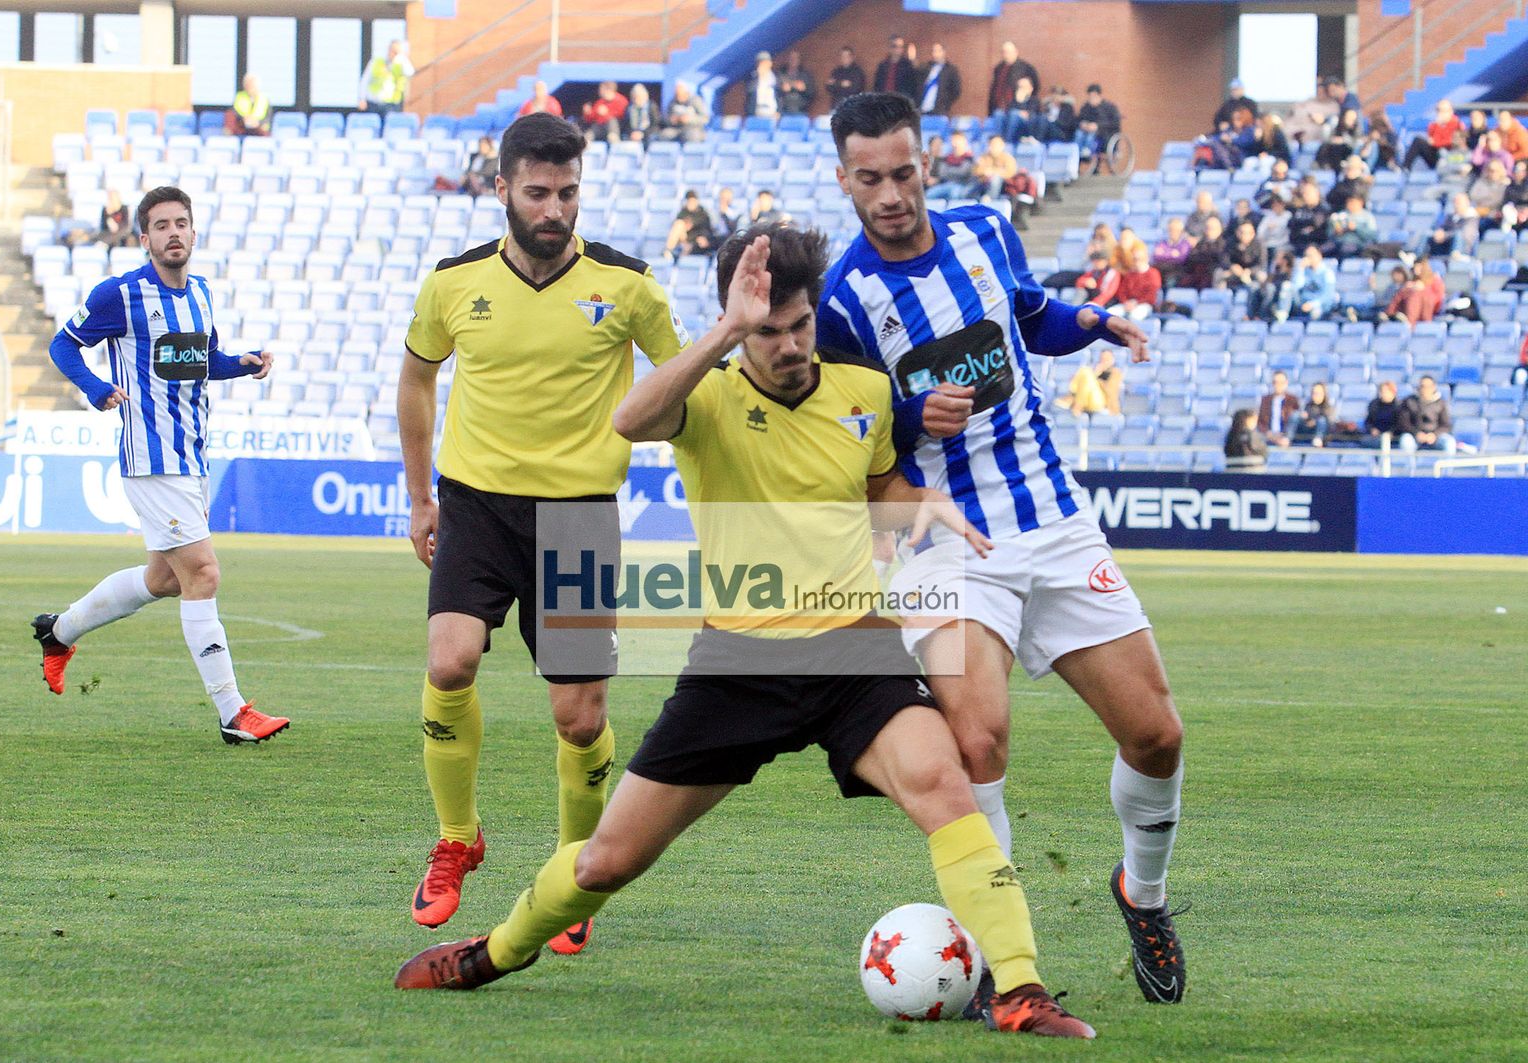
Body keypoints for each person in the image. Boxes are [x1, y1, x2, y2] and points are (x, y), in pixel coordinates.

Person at [395, 224, 1097, 1041]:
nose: (791, 344)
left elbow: (880, 490)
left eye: (799, 324)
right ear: (738, 326)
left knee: (945, 784)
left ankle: (1019, 987)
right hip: (737, 664)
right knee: (604, 862)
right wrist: (726, 332)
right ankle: (498, 949)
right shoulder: (707, 399)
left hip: (855, 653)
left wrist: (922, 507)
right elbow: (629, 418)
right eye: (768, 331)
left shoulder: (863, 393)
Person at [814, 92, 1187, 1009]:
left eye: (904, 172)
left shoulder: (985, 229)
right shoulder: (842, 300)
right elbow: (846, 430)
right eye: (871, 178)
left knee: (1157, 734)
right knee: (977, 736)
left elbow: (1030, 316)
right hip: (946, 537)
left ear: (925, 163)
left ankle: (1142, 893)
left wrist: (1092, 322)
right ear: (844, 180)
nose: (892, 193)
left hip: (1052, 518)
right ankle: (998, 957)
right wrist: (907, 415)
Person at [396, 113, 688, 939]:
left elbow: (682, 383)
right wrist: (422, 498)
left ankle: (574, 870)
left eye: (567, 192)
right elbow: (416, 382)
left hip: (579, 517)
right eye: (537, 192)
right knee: (449, 661)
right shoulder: (453, 284)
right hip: (475, 506)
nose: (554, 208)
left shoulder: (628, 285)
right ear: (501, 191)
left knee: (580, 719)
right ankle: (458, 838)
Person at [35, 185, 284, 746]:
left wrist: (239, 364)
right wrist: (97, 389)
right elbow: (62, 346)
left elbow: (199, 363)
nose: (174, 233)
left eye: (182, 223)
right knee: (203, 572)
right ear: (144, 238)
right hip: (150, 456)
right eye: (162, 226)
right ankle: (232, 711)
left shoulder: (199, 294)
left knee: (164, 579)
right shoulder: (119, 295)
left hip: (191, 454)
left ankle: (59, 632)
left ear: (193, 233)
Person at [1397, 376, 1457, 454]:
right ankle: (1409, 466)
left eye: (1427, 387)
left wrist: (1434, 435)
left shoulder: (1441, 403)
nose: (1424, 389)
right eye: (1422, 386)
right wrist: (1416, 433)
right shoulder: (1409, 402)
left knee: (1449, 442)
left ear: (1433, 387)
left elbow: (1445, 425)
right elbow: (1404, 423)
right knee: (1406, 441)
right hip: (1414, 435)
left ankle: (1447, 466)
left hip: (1435, 436)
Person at [358, 38, 414, 117]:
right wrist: (362, 98)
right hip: (373, 103)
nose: (394, 53)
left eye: (396, 51)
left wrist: (402, 57)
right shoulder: (377, 61)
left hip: (391, 105)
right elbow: (365, 80)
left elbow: (410, 73)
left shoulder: (401, 63)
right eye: (393, 50)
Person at [1055, 349, 1123, 414]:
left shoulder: (1115, 373)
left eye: (1107, 359)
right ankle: (1077, 404)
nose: (1104, 361)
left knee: (1086, 372)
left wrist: (1096, 378)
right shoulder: (1094, 371)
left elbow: (1111, 392)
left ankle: (1074, 403)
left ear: (1112, 360)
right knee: (1085, 370)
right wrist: (1095, 374)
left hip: (1102, 403)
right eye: (1102, 359)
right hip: (1088, 400)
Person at [986, 40, 1037, 115]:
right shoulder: (998, 68)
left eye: (1009, 52)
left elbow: (1035, 86)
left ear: (1016, 52)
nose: (1006, 55)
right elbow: (995, 87)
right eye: (1004, 52)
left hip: (1017, 107)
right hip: (998, 106)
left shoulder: (1026, 68)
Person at [1074, 83, 1121, 161]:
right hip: (1086, 131)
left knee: (1092, 135)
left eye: (1094, 96)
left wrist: (1098, 126)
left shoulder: (1109, 107)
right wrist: (1083, 124)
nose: (1092, 98)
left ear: (1099, 95)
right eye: (1090, 96)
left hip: (1104, 133)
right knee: (1078, 134)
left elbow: (1115, 122)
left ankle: (1088, 151)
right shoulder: (1086, 107)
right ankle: (1078, 153)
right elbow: (1079, 119)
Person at [925, 131, 977, 201]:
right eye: (953, 140)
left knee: (954, 194)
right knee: (930, 194)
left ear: (964, 141)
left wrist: (950, 170)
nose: (955, 143)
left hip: (961, 185)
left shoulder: (969, 158)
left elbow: (963, 172)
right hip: (946, 184)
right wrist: (956, 170)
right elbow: (942, 173)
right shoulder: (947, 157)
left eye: (957, 140)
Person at [1291, 244, 1338, 320]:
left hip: (1319, 306)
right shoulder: (1303, 272)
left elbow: (1328, 295)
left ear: (1319, 256)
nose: (1309, 258)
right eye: (1307, 256)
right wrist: (1300, 269)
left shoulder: (1328, 273)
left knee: (1315, 313)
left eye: (1311, 255)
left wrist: (1312, 305)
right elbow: (1296, 287)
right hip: (1303, 304)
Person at [1114, 246, 1162, 320]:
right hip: (1126, 304)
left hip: (1144, 304)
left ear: (1146, 259)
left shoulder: (1153, 273)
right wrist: (1125, 302)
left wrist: (1136, 302)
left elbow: (1152, 294)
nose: (1136, 262)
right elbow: (1121, 291)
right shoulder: (1129, 274)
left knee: (1135, 316)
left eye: (1139, 259)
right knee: (1110, 314)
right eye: (1134, 259)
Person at [1427, 192, 1480, 257]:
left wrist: (1445, 235)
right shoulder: (1450, 217)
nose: (1456, 205)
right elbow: (1442, 227)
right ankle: (1417, 257)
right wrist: (1439, 232)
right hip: (1445, 245)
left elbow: (1465, 234)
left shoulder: (1472, 219)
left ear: (1467, 203)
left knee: (1458, 236)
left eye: (1459, 203)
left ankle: (1455, 259)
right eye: (1455, 202)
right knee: (1428, 234)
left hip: (1463, 249)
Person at [1323, 194, 1376, 259]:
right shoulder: (1340, 215)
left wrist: (1356, 228)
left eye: (1353, 202)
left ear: (1360, 202)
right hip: (1338, 242)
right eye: (1348, 202)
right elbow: (1329, 233)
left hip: (1358, 244)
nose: (1350, 204)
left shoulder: (1367, 217)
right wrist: (1336, 231)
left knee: (1346, 250)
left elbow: (1372, 235)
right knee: (1324, 249)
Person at [1181, 216, 1227, 290]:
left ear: (1220, 229)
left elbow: (1222, 261)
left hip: (1212, 274)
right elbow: (1192, 258)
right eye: (1208, 228)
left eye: (1213, 228)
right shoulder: (1201, 243)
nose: (1210, 231)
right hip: (1197, 273)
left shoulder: (1224, 244)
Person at [664, 189, 713, 258]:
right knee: (679, 224)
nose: (691, 204)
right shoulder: (683, 212)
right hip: (684, 240)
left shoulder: (703, 214)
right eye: (689, 201)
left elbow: (707, 230)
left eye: (692, 201)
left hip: (697, 241)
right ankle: (668, 250)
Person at [917, 42, 962, 117]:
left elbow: (956, 91)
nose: (935, 54)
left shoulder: (951, 70)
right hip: (923, 110)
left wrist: (945, 104)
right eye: (934, 51)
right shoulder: (926, 67)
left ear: (944, 52)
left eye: (938, 51)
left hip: (940, 111)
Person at [1250, 248, 1295, 321]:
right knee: (1257, 287)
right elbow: (1268, 283)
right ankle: (1252, 315)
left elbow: (1294, 286)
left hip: (1289, 299)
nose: (1275, 260)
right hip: (1275, 297)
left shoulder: (1292, 270)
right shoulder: (1274, 270)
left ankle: (1281, 314)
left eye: (1278, 258)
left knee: (1285, 287)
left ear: (1285, 260)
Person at [1258, 370, 1301, 445]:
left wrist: (1285, 435)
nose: (1278, 385)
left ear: (1286, 383)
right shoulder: (1265, 400)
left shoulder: (1292, 400)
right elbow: (1260, 421)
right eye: (1275, 382)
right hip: (1268, 436)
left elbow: (1295, 421)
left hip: (1285, 436)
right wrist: (1268, 433)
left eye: (1281, 383)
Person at [1152, 217, 1193, 287]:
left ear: (1181, 231)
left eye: (1176, 230)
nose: (1173, 232)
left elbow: (1181, 258)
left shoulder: (1185, 244)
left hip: (1176, 271)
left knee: (1171, 281)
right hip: (1161, 269)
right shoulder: (1162, 243)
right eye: (1171, 229)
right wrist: (1172, 253)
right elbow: (1156, 256)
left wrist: (1165, 253)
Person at [226, 73, 270, 137]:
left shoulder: (264, 99)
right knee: (229, 115)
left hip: (258, 129)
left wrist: (257, 122)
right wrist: (243, 119)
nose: (250, 87)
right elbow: (234, 112)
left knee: (264, 130)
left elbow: (268, 118)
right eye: (248, 85)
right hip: (242, 127)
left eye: (252, 85)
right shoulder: (239, 97)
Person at [1293, 382, 1334, 447]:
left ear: (1324, 394)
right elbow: (1307, 421)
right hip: (1308, 431)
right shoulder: (1307, 406)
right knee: (1295, 415)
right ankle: (1288, 439)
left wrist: (1315, 421)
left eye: (1317, 393)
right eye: (1313, 393)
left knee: (1321, 420)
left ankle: (1318, 440)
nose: (1314, 395)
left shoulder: (1329, 408)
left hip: (1323, 435)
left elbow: (1329, 423)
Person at [827, 46, 867, 110]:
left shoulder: (858, 72)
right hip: (836, 106)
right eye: (842, 56)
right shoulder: (836, 71)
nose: (844, 58)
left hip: (852, 107)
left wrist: (836, 84)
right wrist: (841, 84)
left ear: (852, 57)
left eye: (847, 56)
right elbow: (829, 87)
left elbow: (855, 89)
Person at [1363, 379, 1402, 445]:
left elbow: (1400, 424)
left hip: (1394, 436)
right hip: (1376, 435)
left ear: (1393, 392)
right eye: (1381, 391)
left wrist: (1391, 433)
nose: (1382, 394)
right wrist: (1372, 429)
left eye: (1385, 391)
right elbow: (1368, 421)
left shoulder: (1399, 406)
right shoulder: (1374, 404)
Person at [776, 51, 815, 115]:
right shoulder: (780, 73)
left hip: (801, 110)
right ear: (787, 60)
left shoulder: (805, 75)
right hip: (783, 109)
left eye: (796, 58)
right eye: (791, 59)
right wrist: (781, 88)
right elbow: (773, 90)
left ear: (799, 60)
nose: (793, 61)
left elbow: (812, 92)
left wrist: (804, 89)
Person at [745, 50, 779, 118]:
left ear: (770, 63)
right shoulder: (752, 76)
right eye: (760, 63)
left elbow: (779, 95)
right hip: (756, 110)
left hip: (771, 110)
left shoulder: (774, 77)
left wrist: (778, 111)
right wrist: (759, 76)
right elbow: (749, 90)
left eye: (765, 62)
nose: (763, 65)